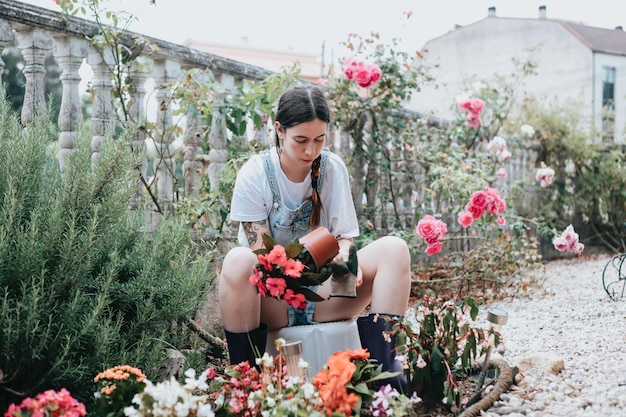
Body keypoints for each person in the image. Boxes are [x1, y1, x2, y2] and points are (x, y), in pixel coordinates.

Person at [218, 84, 411, 392]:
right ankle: (245, 385)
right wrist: (296, 269)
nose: (311, 150)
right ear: (279, 130)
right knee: (237, 260)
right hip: (274, 303)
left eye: (320, 139)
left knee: (394, 249)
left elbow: (345, 238)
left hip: (324, 296)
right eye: (301, 140)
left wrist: (345, 256)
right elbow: (262, 259)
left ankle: (385, 383)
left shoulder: (332, 168)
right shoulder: (255, 174)